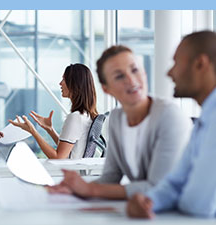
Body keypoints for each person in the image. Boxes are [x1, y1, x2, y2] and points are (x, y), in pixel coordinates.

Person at [47, 45, 192, 199]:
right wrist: (75, 188)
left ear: (144, 72)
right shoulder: (117, 118)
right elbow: (111, 176)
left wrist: (90, 190)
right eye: (119, 76)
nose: (131, 80)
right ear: (106, 89)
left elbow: (159, 187)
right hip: (147, 207)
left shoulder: (170, 116)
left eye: (135, 70)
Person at [127, 31, 216, 218]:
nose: (169, 72)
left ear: (200, 64)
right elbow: (175, 182)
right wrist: (149, 201)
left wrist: (173, 198)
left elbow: (200, 204)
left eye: (176, 62)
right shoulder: (206, 119)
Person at [9, 63, 98, 159]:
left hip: (67, 171)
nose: (60, 83)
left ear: (75, 84)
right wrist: (50, 129)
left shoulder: (75, 118)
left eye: (64, 79)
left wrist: (32, 131)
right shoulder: (85, 115)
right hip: (74, 170)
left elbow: (58, 157)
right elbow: (66, 150)